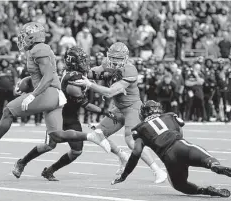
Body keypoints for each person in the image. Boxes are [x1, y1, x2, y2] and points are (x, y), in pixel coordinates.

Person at [0, 22, 110, 159]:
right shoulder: (35, 50)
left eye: (25, 35)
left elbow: (47, 76)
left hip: (48, 93)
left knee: (8, 112)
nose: (22, 38)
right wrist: (26, 82)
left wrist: (33, 95)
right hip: (53, 94)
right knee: (57, 135)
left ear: (33, 36)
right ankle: (92, 137)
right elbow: (41, 75)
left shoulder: (39, 49)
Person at [12, 46, 117, 180]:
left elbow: (95, 73)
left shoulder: (77, 73)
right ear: (74, 62)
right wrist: (104, 112)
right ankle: (22, 162)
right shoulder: (72, 82)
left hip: (72, 116)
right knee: (49, 145)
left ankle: (50, 170)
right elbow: (87, 105)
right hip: (59, 115)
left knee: (76, 151)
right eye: (82, 60)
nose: (85, 63)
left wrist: (112, 72)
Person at [71, 42, 167, 183]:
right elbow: (93, 72)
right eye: (113, 58)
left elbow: (110, 92)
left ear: (126, 58)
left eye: (119, 58)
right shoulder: (106, 64)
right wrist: (77, 72)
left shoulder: (130, 70)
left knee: (131, 141)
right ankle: (122, 156)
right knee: (97, 134)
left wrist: (89, 84)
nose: (115, 62)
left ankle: (158, 171)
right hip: (118, 108)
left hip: (133, 108)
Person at [111, 100, 231, 198]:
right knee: (206, 158)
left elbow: (136, 152)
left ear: (143, 113)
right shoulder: (170, 115)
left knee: (179, 185)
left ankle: (205, 190)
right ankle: (214, 165)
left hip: (169, 158)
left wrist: (124, 175)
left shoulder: (139, 129)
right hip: (181, 146)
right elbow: (180, 127)